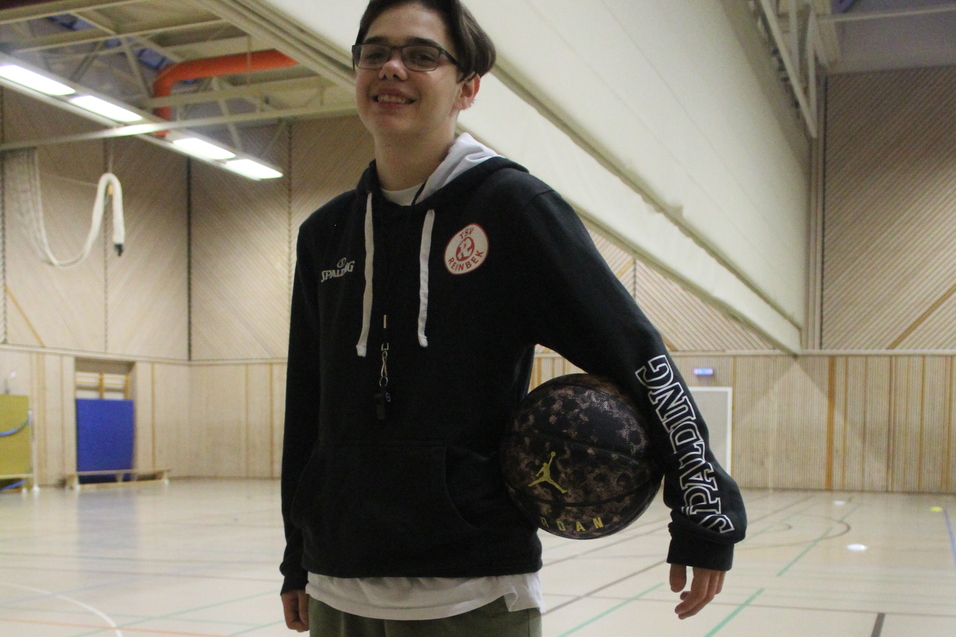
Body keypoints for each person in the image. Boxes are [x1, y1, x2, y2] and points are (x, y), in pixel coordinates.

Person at [279, 0, 747, 634]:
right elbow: (306, 406)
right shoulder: (325, 234)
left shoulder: (513, 210)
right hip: (339, 587)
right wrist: (297, 557)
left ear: (467, 89)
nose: (391, 67)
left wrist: (703, 506)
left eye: (421, 55)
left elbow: (637, 355)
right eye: (374, 52)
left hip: (474, 590)